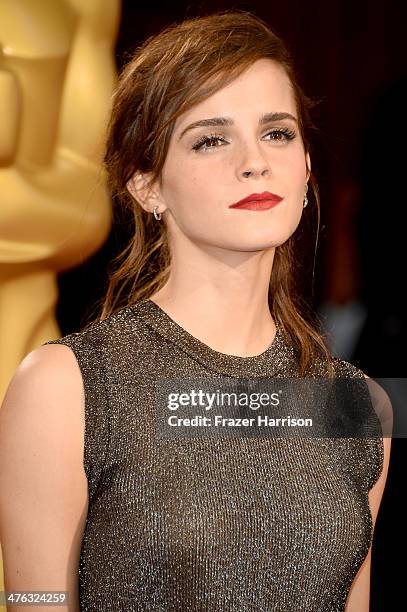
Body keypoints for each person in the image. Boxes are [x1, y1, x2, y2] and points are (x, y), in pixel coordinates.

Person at [0, 10, 391, 611]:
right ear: (147, 184)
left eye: (277, 132)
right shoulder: (66, 387)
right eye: (211, 139)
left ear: (307, 166)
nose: (253, 161)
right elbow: (37, 600)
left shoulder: (359, 406)